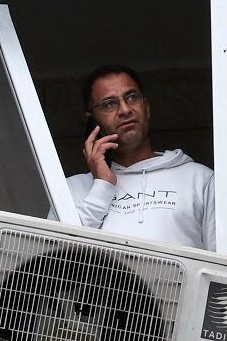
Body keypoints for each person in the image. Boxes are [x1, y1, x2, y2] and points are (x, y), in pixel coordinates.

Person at [66, 65, 218, 251]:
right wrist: (102, 187)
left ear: (146, 107)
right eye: (109, 104)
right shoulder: (70, 189)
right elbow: (51, 260)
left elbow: (226, 264)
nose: (125, 109)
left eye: (132, 97)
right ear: (93, 120)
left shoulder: (199, 179)